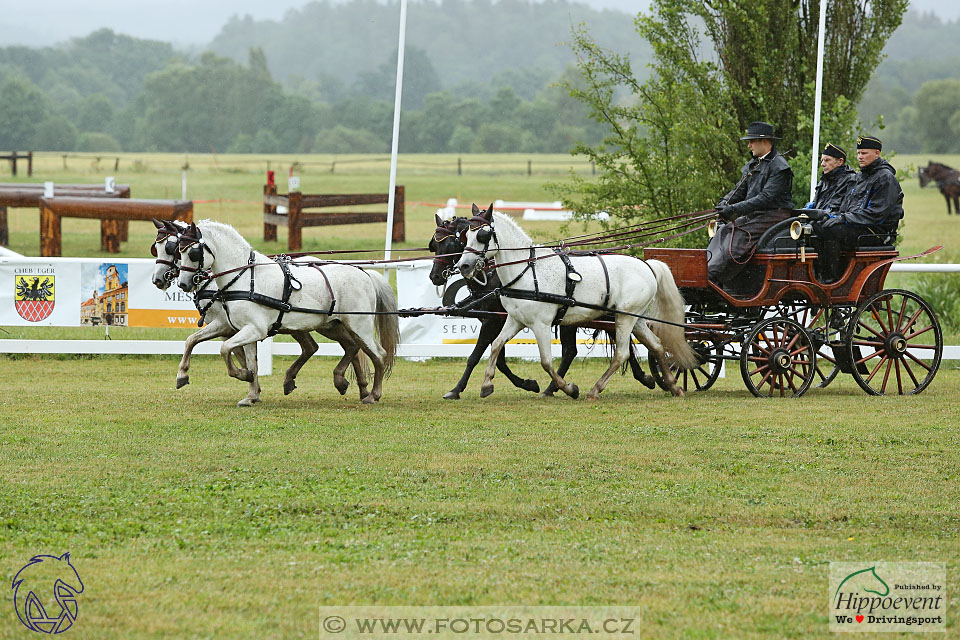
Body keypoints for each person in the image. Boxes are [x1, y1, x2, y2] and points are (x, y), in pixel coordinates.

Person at [706, 121, 794, 289]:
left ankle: (715, 277)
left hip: (774, 216)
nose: (749, 146)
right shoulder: (754, 164)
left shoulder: (780, 167)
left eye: (751, 141)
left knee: (737, 236)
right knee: (723, 230)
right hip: (755, 215)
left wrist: (734, 209)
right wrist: (724, 204)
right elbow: (738, 190)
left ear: (764, 141)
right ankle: (708, 272)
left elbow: (765, 198)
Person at [809, 135, 904, 282]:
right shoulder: (859, 177)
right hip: (857, 225)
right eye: (858, 153)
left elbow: (876, 214)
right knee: (815, 227)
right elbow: (846, 206)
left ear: (877, 153)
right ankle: (818, 275)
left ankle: (831, 279)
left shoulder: (885, 178)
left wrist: (843, 219)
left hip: (876, 232)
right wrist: (833, 216)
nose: (860, 157)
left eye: (864, 153)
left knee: (829, 230)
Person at [807, 143, 856, 212]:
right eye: (822, 160)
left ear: (840, 161)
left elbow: (846, 212)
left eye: (827, 160)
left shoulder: (851, 181)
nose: (822, 164)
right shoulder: (823, 181)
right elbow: (815, 206)